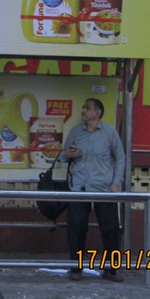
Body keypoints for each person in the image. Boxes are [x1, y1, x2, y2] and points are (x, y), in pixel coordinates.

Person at [60, 98, 125, 282]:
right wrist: (68, 154)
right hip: (79, 187)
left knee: (110, 229)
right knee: (77, 228)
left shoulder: (109, 132)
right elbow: (64, 155)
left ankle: (111, 269)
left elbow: (120, 158)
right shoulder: (76, 132)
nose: (84, 110)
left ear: (98, 112)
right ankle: (76, 267)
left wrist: (116, 183)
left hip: (103, 188)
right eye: (84, 107)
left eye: (87, 108)